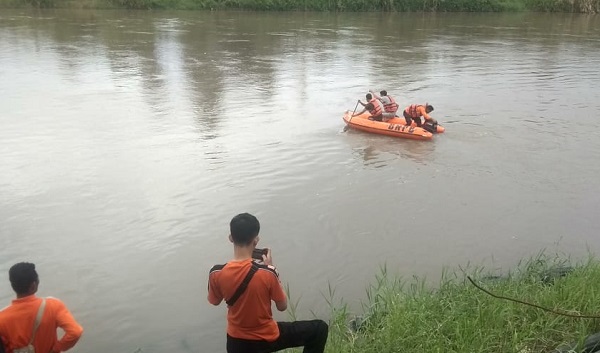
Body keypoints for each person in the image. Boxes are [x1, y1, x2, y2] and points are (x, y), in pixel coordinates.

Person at [208, 213, 328, 353]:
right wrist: (271, 267)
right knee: (319, 329)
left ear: (231, 238)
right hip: (265, 339)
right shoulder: (268, 273)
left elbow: (215, 301)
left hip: (236, 343)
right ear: (256, 240)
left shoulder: (216, 273)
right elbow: (282, 306)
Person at [0, 262, 83, 353]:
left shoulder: (2, 318)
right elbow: (75, 332)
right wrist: (56, 349)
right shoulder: (53, 305)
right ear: (33, 286)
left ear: (13, 286)